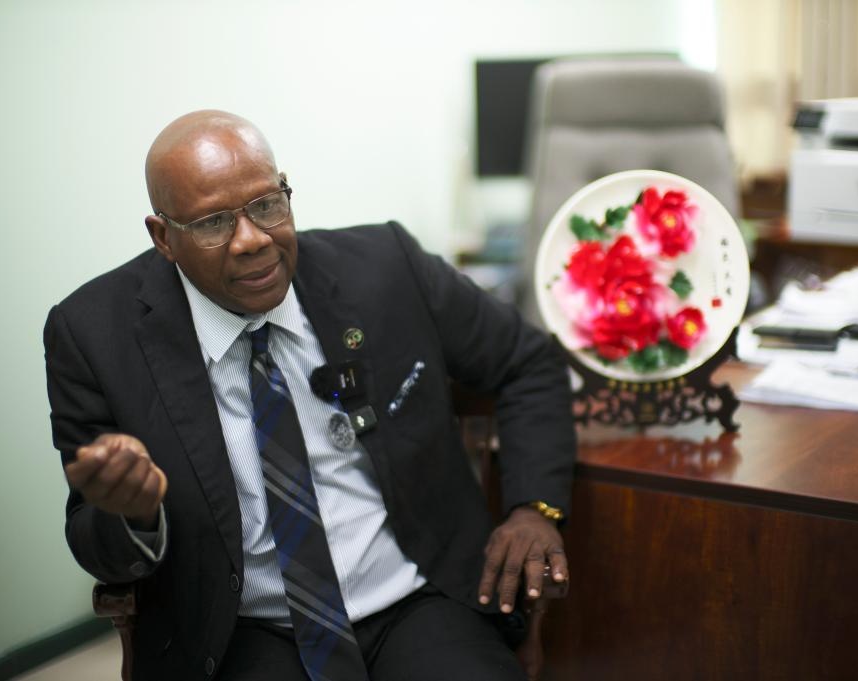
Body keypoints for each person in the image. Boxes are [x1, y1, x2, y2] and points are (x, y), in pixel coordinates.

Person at [44, 110, 575, 681]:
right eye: (213, 223)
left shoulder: (386, 267)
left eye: (266, 205)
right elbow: (94, 539)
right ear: (163, 238)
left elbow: (529, 361)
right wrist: (133, 516)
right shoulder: (94, 335)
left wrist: (533, 508)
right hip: (242, 627)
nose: (252, 240)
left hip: (417, 598)